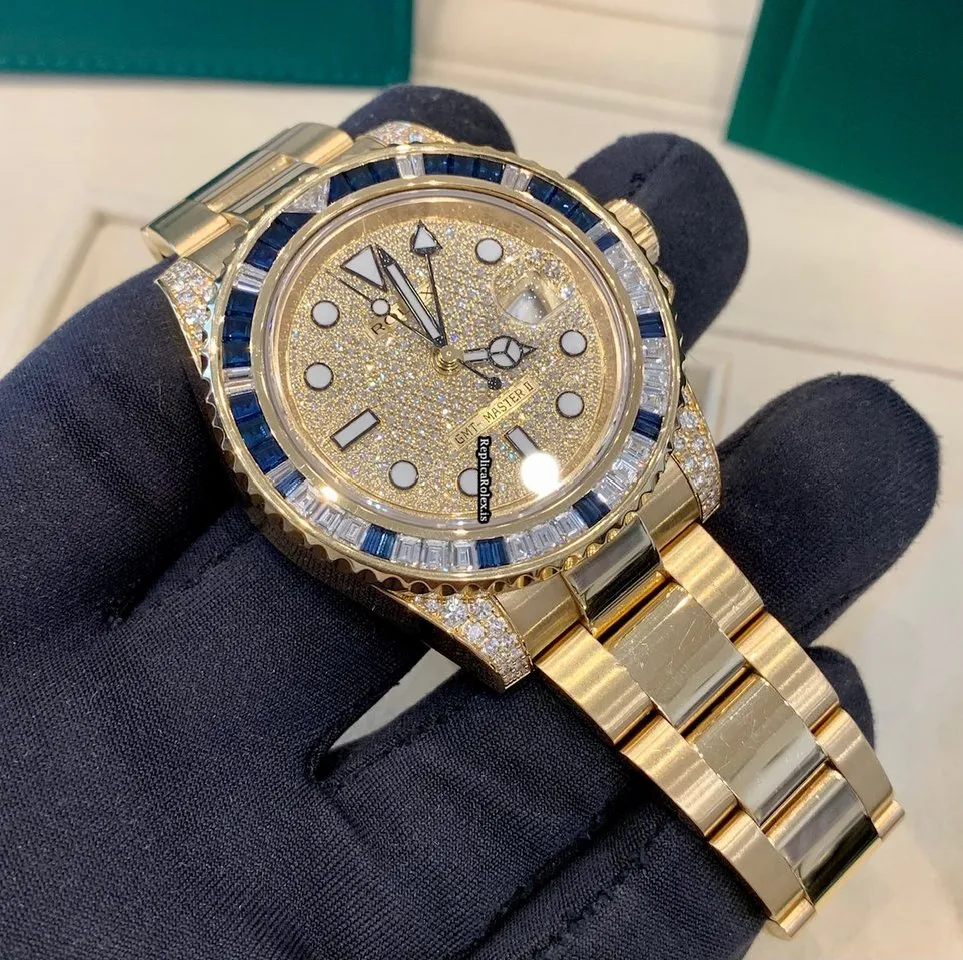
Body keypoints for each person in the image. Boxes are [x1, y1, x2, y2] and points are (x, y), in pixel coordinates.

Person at [0, 86, 938, 960]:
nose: (443, 362)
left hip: (605, 470)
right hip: (492, 539)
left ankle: (804, 801)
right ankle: (804, 813)